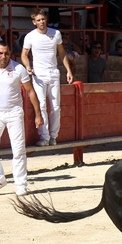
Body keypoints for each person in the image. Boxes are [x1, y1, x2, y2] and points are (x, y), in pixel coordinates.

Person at [0, 41, 43, 196]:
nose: (3, 56)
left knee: (18, 149)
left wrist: (38, 114)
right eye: (0, 53)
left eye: (6, 53)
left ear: (10, 53)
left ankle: (21, 183)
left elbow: (30, 91)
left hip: (14, 112)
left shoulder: (18, 68)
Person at [21, 8, 73, 147]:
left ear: (46, 19)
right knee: (42, 105)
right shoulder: (30, 36)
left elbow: (62, 53)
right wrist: (27, 67)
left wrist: (68, 70)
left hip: (53, 72)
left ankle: (53, 136)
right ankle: (44, 136)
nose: (41, 22)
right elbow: (24, 55)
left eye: (43, 19)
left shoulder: (55, 33)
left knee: (56, 107)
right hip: (39, 74)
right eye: (38, 20)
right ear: (34, 22)